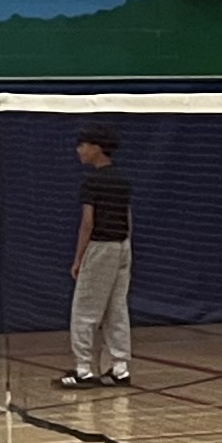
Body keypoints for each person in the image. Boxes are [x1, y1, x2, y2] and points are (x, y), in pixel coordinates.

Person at [61, 124, 134, 390]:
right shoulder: (123, 180)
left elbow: (87, 223)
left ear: (96, 147)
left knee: (84, 311)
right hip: (123, 247)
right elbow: (128, 218)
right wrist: (126, 248)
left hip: (101, 247)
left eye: (83, 144)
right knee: (116, 309)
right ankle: (119, 367)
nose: (79, 150)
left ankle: (83, 370)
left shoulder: (93, 182)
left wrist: (79, 259)